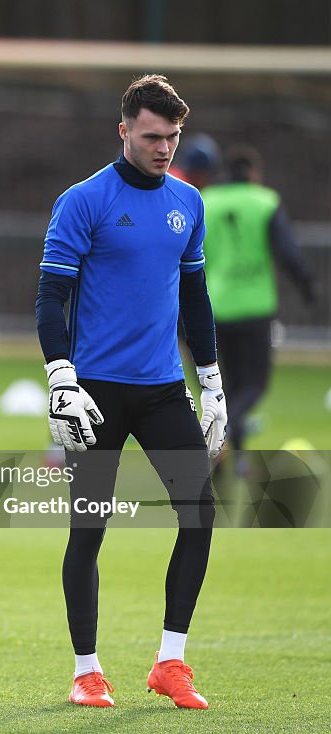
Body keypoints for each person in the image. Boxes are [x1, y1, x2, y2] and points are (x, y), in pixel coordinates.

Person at [36, 75, 227, 709]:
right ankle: (86, 672)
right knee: (89, 527)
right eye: (152, 137)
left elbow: (194, 296)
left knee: (199, 515)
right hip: (93, 391)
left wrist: (211, 378)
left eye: (172, 137)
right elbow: (51, 298)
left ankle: (171, 662)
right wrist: (60, 374)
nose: (164, 148)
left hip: (162, 389)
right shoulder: (83, 201)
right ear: (124, 130)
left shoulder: (187, 204)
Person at [184, 142, 316, 464]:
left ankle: (236, 459)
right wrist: (308, 286)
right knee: (254, 384)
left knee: (227, 386)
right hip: (255, 307)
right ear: (254, 173)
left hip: (215, 307)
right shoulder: (265, 201)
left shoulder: (206, 202)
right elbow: (287, 252)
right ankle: (226, 435)